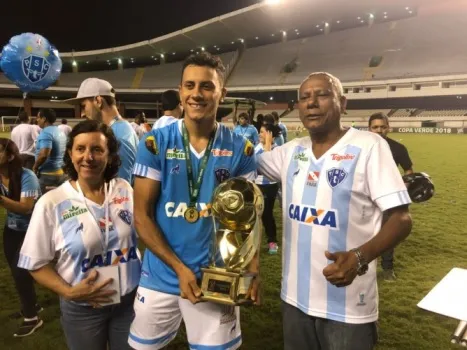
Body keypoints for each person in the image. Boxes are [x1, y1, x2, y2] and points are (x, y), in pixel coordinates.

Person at [257, 72, 413, 350]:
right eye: (304, 98)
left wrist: (358, 257)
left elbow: (401, 219)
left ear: (342, 102)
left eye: (322, 94)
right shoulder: (290, 151)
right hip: (294, 298)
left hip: (348, 306)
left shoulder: (369, 146)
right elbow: (241, 162)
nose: (311, 103)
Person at [128, 52, 259, 350]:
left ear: (222, 93)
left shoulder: (243, 150)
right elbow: (142, 217)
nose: (196, 94)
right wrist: (179, 269)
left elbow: (246, 222)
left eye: (206, 86)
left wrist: (252, 270)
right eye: (189, 86)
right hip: (160, 276)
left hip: (216, 279)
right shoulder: (154, 143)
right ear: (181, 90)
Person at [18, 119, 141, 350]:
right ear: (70, 154)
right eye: (81, 149)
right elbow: (35, 263)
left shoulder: (124, 188)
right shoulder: (52, 202)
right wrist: (69, 292)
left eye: (97, 149)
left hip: (129, 301)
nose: (89, 157)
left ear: (110, 155)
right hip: (84, 308)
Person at [57, 78, 139, 184]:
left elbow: (117, 190)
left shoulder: (117, 136)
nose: (82, 114)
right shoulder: (122, 129)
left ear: (98, 101)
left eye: (83, 106)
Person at [0, 138, 42, 337]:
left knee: (20, 272)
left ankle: (32, 318)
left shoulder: (27, 176)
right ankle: (31, 305)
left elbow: (26, 208)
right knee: (18, 272)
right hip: (11, 230)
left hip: (32, 230)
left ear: (9, 156)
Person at [368, 112, 414, 281]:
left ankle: (387, 268)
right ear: (369, 129)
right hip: (362, 198)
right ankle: (361, 264)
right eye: (375, 127)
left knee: (387, 234)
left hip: (386, 198)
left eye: (382, 127)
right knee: (361, 232)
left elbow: (408, 171)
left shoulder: (398, 148)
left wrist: (403, 187)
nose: (379, 130)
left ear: (388, 128)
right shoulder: (359, 147)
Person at [255, 123, 280, 254]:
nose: (259, 134)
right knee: (254, 216)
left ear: (270, 135)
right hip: (255, 184)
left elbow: (270, 166)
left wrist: (268, 148)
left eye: (263, 132)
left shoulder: (277, 149)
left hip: (270, 185)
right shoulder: (256, 147)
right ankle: (253, 243)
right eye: (260, 131)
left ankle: (272, 242)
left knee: (267, 214)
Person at [32, 108, 67, 194]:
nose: (37, 120)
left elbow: (44, 154)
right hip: (60, 172)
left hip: (47, 175)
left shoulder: (46, 133)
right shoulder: (60, 131)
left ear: (44, 119)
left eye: (38, 117)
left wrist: (35, 167)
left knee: (42, 202)